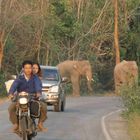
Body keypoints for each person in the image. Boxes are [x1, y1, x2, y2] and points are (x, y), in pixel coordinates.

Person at [8, 60, 47, 132]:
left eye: (30, 68)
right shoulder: (19, 78)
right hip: (20, 98)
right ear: (23, 69)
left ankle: (40, 124)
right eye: (26, 68)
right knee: (11, 107)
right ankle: (16, 124)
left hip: (32, 97)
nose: (28, 70)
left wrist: (38, 92)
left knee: (43, 107)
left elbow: (38, 85)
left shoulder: (35, 78)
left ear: (32, 68)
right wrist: (11, 93)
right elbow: (14, 86)